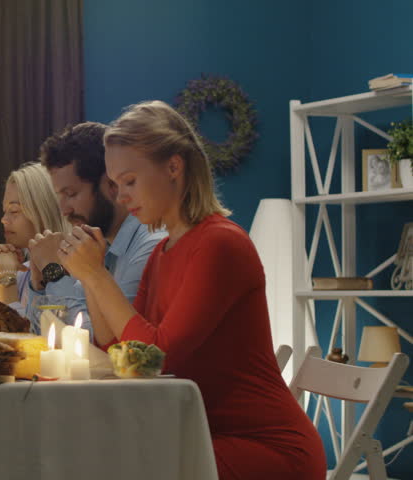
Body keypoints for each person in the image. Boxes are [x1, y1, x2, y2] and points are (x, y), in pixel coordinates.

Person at [59, 101, 325, 479]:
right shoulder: (163, 254)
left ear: (173, 166)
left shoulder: (220, 244)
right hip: (198, 436)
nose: (121, 198)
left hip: (265, 447)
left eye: (130, 181)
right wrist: (91, 275)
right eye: (116, 186)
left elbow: (155, 358)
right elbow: (118, 351)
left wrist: (99, 278)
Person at [24, 122, 165, 333]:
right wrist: (40, 283)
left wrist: (55, 273)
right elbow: (39, 335)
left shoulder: (151, 246)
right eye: (59, 196)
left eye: (71, 194)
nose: (64, 210)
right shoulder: (94, 244)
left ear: (111, 185)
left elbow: (97, 344)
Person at [0, 162, 69, 314]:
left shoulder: (71, 276)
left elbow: (20, 336)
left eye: (14, 211)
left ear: (44, 212)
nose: (4, 219)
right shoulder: (23, 272)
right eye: (4, 211)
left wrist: (5, 280)